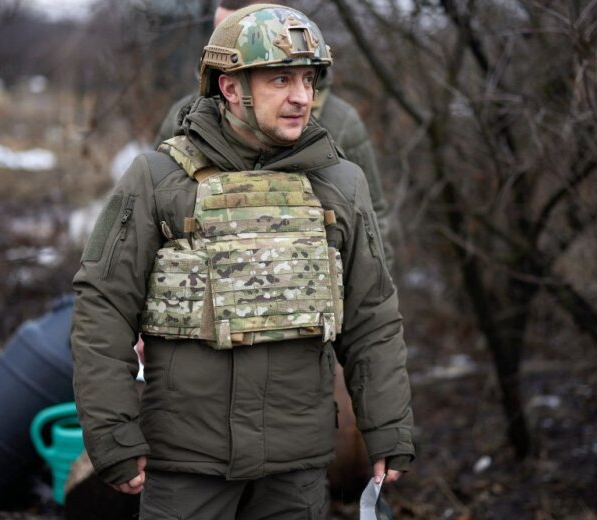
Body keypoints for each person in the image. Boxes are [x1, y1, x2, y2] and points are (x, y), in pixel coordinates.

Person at [71, 4, 414, 518]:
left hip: (295, 470)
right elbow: (102, 309)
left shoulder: (341, 185)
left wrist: (387, 428)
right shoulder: (159, 179)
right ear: (231, 88)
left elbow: (373, 318)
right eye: (281, 79)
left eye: (307, 78)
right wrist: (113, 432)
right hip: (187, 462)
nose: (303, 96)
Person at [155, 0, 395, 270]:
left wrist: (377, 275)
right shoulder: (188, 119)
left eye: (245, 29)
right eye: (222, 30)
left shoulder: (341, 123)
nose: (300, 99)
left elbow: (372, 221)